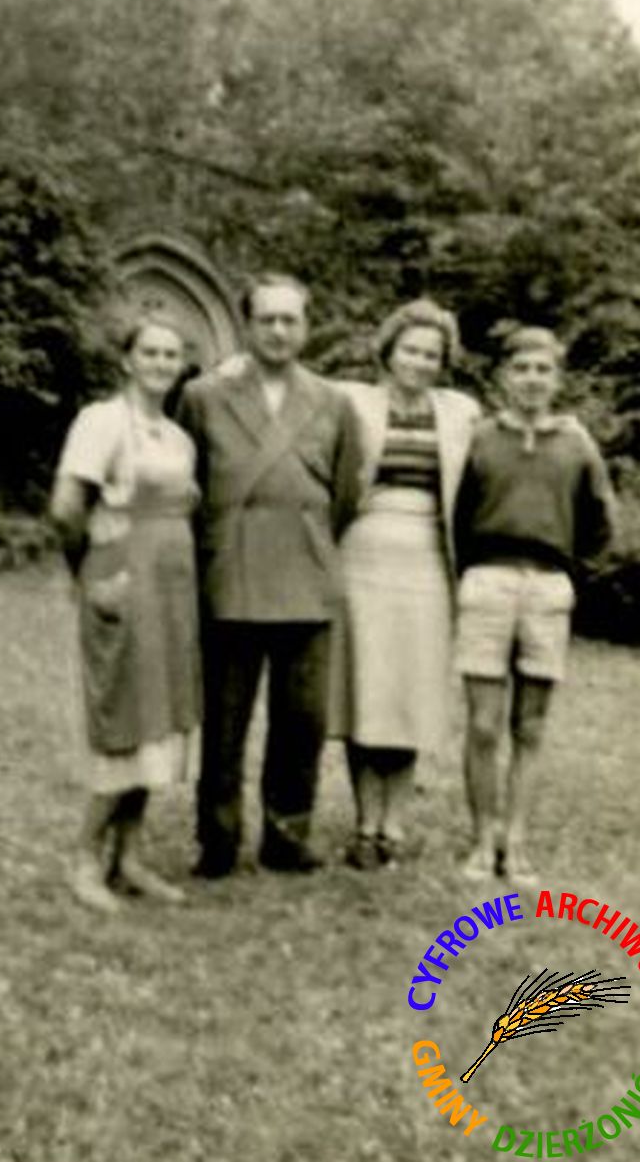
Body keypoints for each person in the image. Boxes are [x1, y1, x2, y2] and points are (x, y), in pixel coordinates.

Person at [177, 273, 362, 878]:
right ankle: (218, 839)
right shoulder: (204, 397)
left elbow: (345, 493)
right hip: (232, 574)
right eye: (267, 320)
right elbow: (188, 486)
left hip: (307, 575)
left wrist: (309, 538)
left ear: (306, 327)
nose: (279, 331)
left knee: (303, 720)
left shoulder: (334, 401)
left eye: (290, 320)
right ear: (247, 325)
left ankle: (287, 836)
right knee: (224, 720)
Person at [453, 325, 616, 883]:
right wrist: (472, 572)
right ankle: (482, 839)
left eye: (543, 370)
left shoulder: (576, 443)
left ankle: (515, 840)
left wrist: (567, 572)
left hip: (547, 587)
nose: (531, 379)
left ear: (558, 379)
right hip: (487, 582)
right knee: (482, 724)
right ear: (504, 376)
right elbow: (457, 515)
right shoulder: (480, 438)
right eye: (521, 368)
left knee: (530, 725)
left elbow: (599, 522)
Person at [50, 315, 202, 912]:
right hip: (121, 579)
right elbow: (66, 508)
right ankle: (85, 858)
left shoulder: (178, 437)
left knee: (157, 719)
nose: (161, 363)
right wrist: (90, 574)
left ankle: (129, 857)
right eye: (151, 352)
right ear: (128, 359)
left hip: (172, 589)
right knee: (122, 716)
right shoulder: (102, 421)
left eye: (171, 354)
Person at [333, 299, 481, 869]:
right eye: (410, 351)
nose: (419, 362)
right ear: (388, 351)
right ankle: (365, 823)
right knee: (365, 690)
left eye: (431, 354)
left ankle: (394, 823)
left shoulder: (460, 412)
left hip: (427, 559)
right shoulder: (352, 402)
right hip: (362, 552)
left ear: (443, 362)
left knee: (410, 692)